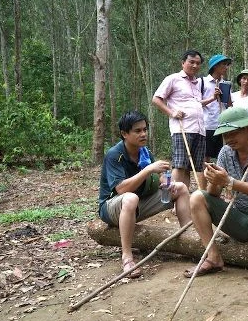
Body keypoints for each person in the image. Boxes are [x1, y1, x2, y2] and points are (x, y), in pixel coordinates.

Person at [185, 107, 248, 287]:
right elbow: (213, 194)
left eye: (234, 133)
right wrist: (215, 180)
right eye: (225, 134)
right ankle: (213, 257)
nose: (229, 139)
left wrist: (230, 182)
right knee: (197, 197)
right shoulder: (225, 152)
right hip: (239, 221)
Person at [98, 111, 192, 278]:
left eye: (145, 129)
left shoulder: (144, 151)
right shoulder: (115, 155)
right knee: (130, 198)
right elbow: (120, 189)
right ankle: (127, 257)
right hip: (112, 207)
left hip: (137, 204)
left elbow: (160, 177)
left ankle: (189, 239)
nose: (143, 134)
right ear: (124, 134)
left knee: (181, 188)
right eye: (137, 131)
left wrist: (166, 183)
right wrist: (148, 169)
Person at [152, 50, 207, 190]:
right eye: (191, 62)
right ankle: (173, 197)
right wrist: (172, 112)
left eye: (198, 63)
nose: (195, 65)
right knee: (180, 164)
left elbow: (198, 104)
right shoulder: (173, 79)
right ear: (183, 63)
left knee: (190, 167)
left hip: (199, 129)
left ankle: (183, 198)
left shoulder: (197, 83)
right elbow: (156, 99)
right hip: (183, 128)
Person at [201, 54, 232, 164]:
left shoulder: (226, 84)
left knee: (224, 156)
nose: (226, 67)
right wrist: (213, 98)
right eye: (224, 64)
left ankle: (220, 180)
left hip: (223, 126)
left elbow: (229, 105)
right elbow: (197, 104)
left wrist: (227, 95)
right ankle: (205, 181)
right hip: (207, 125)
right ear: (215, 66)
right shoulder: (203, 82)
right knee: (205, 158)